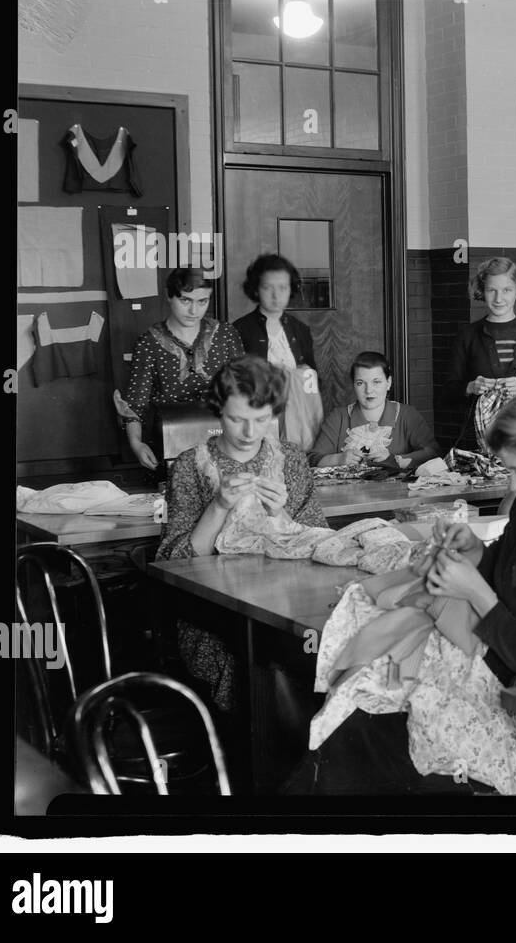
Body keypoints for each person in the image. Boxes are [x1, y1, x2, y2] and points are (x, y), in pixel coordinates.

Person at [285, 384, 516, 794]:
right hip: (482, 673)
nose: (514, 488)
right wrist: (474, 551)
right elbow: (503, 567)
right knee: (346, 726)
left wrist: (475, 593)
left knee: (361, 746)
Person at [156, 355, 327, 710]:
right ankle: (257, 755)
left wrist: (278, 512)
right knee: (255, 667)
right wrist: (218, 505)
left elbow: (321, 544)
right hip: (215, 615)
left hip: (286, 605)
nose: (250, 433)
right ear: (218, 412)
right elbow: (174, 564)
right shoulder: (191, 465)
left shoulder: (292, 460)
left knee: (319, 654)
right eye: (237, 420)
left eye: (261, 420)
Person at [115, 268, 245, 471]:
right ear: (169, 296)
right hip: (171, 445)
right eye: (186, 300)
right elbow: (135, 404)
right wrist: (136, 443)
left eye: (202, 301)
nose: (194, 311)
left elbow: (245, 388)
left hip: (224, 440)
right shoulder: (149, 342)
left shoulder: (225, 335)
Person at [445, 256, 516, 450]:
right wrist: (470, 387)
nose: (498, 298)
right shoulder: (466, 335)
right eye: (491, 290)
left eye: (506, 290)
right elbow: (448, 394)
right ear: (481, 291)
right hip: (479, 440)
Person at [231, 253, 322, 449]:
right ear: (256, 289)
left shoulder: (300, 330)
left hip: (298, 422)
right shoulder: (240, 329)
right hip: (256, 421)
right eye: (267, 287)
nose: (276, 295)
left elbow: (313, 380)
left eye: (283, 288)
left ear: (292, 289)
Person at [309, 351, 441, 472]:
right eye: (360, 383)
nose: (368, 390)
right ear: (353, 384)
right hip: (348, 496)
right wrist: (339, 459)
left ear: (388, 383)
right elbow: (312, 459)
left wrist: (394, 460)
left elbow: (432, 452)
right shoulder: (338, 417)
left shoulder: (407, 415)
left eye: (376, 382)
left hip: (396, 495)